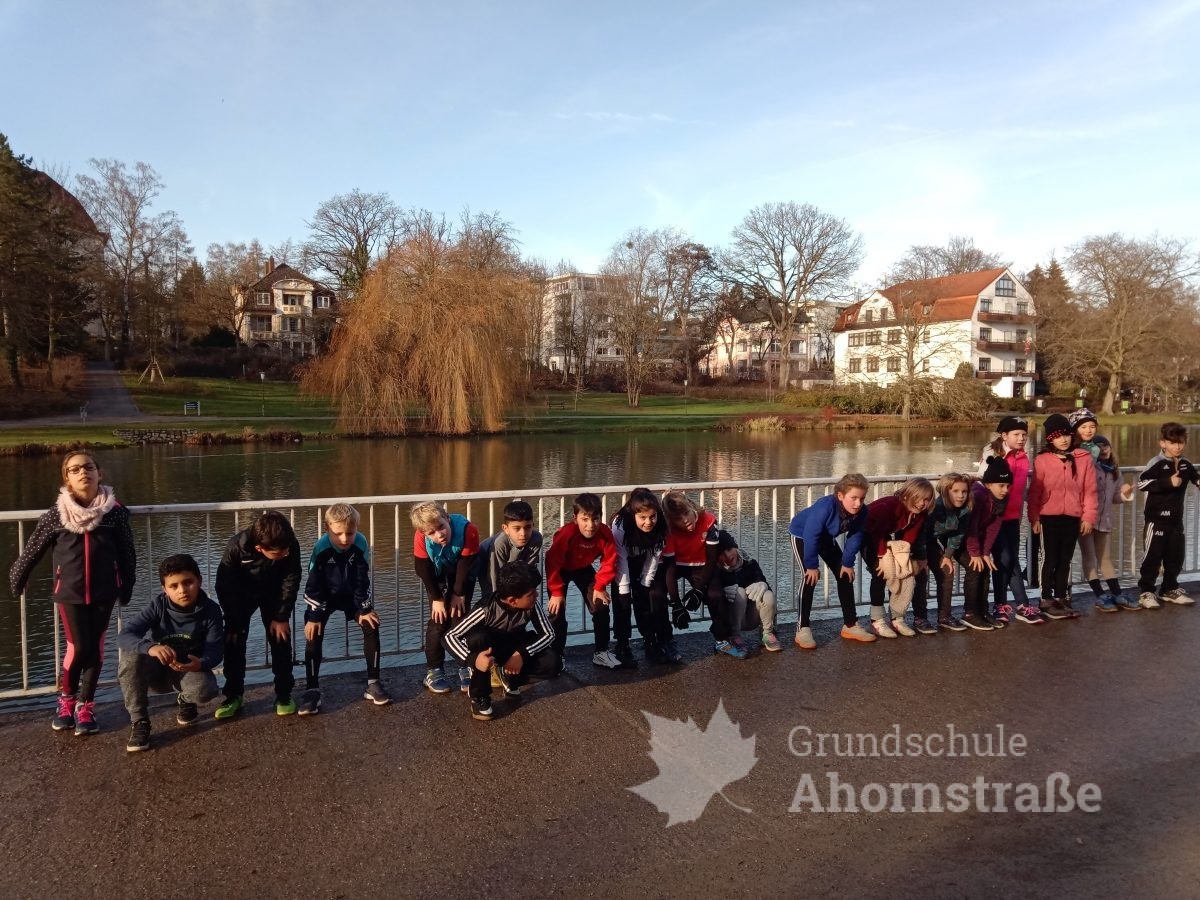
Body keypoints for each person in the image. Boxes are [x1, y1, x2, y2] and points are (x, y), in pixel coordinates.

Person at [9, 451, 136, 736]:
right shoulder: (57, 514)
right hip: (69, 592)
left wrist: (127, 585)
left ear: (99, 473)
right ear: (67, 478)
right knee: (78, 646)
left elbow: (127, 553)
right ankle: (66, 701)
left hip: (104, 591)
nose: (83, 473)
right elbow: (34, 548)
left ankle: (85, 706)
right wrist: (18, 577)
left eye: (88, 467)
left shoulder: (114, 512)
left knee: (96, 647)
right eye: (74, 469)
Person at [117, 554, 222, 752]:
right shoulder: (158, 606)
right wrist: (150, 647)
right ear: (165, 589)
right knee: (131, 656)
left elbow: (215, 651)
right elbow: (125, 635)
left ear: (199, 581)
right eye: (174, 586)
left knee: (206, 689)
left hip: (187, 669)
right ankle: (140, 721)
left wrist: (201, 663)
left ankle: (186, 699)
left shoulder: (211, 610)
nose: (182, 590)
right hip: (157, 670)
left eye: (188, 582)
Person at [299, 503, 389, 716]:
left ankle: (373, 683)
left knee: (371, 624)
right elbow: (314, 586)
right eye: (338, 533)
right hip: (325, 597)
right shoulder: (321, 548)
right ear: (327, 528)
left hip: (351, 597)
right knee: (313, 633)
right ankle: (312, 689)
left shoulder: (361, 543)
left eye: (350, 533)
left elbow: (361, 580)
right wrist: (314, 617)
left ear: (357, 527)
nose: (344, 539)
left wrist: (365, 609)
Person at [444, 561, 559, 721]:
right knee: (478, 639)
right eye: (532, 593)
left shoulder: (532, 605)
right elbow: (450, 636)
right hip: (489, 650)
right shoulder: (485, 608)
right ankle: (479, 696)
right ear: (512, 600)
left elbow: (549, 634)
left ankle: (509, 677)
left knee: (553, 662)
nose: (537, 595)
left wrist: (521, 654)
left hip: (513, 647)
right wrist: (473, 660)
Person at [214, 511, 301, 718]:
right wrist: (233, 620)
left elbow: (291, 579)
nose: (286, 553)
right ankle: (233, 695)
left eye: (287, 549)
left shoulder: (289, 544)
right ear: (260, 548)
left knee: (281, 639)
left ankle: (284, 695)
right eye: (280, 553)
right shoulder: (236, 547)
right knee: (233, 640)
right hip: (241, 595)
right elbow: (224, 586)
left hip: (274, 594)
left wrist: (281, 617)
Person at [787, 473, 872, 648]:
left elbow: (855, 536)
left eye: (862, 498)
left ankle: (850, 625)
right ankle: (803, 629)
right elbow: (811, 535)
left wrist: (847, 563)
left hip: (826, 538)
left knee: (845, 575)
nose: (858, 503)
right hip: (802, 535)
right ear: (840, 496)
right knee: (809, 578)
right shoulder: (825, 507)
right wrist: (811, 566)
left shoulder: (862, 511)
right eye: (853, 498)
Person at [1027, 413, 1097, 620]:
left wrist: (1088, 517)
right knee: (1049, 558)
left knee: (1065, 559)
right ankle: (1046, 598)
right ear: (1050, 438)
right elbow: (1035, 492)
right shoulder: (1042, 460)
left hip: (1073, 516)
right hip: (1048, 516)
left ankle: (1061, 596)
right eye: (1057, 436)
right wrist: (1034, 517)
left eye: (1066, 434)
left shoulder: (1083, 458)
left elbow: (1090, 490)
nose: (1063, 439)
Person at [545, 492, 620, 669]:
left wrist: (600, 586)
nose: (590, 525)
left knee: (601, 605)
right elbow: (552, 561)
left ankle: (601, 652)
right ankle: (557, 655)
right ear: (575, 518)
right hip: (560, 570)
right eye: (584, 519)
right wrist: (556, 591)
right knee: (557, 611)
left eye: (595, 519)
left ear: (600, 517)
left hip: (582, 568)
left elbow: (609, 561)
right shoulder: (567, 533)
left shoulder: (604, 533)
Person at [411, 501, 479, 694]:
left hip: (463, 572)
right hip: (437, 574)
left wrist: (458, 593)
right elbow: (422, 569)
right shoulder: (420, 537)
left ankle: (465, 666)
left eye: (441, 527)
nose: (439, 535)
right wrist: (437, 599)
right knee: (438, 621)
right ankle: (434, 671)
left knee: (460, 618)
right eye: (431, 533)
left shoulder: (468, 530)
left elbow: (466, 564)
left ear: (447, 519)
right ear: (424, 533)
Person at [977, 416, 1040, 626]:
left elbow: (1021, 489)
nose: (1021, 438)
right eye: (1016, 434)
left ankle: (1011, 605)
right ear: (1004, 436)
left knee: (1011, 559)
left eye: (1024, 435)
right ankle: (1009, 604)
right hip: (995, 517)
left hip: (1014, 516)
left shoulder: (1023, 457)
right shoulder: (992, 454)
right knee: (1004, 559)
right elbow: (983, 483)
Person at [662, 491, 738, 658]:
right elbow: (669, 568)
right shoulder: (668, 530)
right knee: (656, 593)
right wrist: (676, 603)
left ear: (691, 506)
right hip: (676, 565)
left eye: (686, 513)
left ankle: (721, 639)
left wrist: (699, 590)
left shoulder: (708, 520)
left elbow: (711, 559)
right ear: (671, 520)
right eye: (678, 518)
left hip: (702, 565)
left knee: (716, 595)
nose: (685, 520)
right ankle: (663, 640)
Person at [1136, 422, 1200, 609]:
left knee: (1175, 557)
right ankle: (1146, 592)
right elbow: (1141, 484)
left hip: (1176, 521)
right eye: (1172, 443)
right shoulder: (1156, 463)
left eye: (1181, 442)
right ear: (1162, 443)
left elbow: (1195, 477)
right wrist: (1167, 482)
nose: (1177, 446)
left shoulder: (1186, 464)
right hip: (1156, 521)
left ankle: (1169, 589)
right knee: (1152, 558)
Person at [861, 478, 934, 638]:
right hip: (866, 535)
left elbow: (910, 537)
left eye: (926, 499)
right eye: (918, 498)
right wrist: (881, 557)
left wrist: (904, 557)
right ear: (906, 495)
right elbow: (874, 531)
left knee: (903, 572)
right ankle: (876, 620)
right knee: (881, 573)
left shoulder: (920, 513)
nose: (922, 503)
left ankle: (897, 618)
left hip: (885, 537)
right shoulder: (890, 506)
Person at [611, 488, 678, 665]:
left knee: (645, 600)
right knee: (622, 603)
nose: (648, 522)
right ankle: (622, 644)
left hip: (643, 561)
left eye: (652, 517)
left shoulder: (661, 524)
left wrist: (645, 582)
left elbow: (655, 555)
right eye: (642, 517)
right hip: (621, 563)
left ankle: (650, 641)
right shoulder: (620, 524)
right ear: (633, 514)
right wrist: (624, 590)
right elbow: (620, 558)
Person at [1081, 437, 1138, 612]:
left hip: (1104, 520)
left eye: (1105, 445)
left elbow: (1115, 498)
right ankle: (1100, 595)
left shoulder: (1114, 470)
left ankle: (1117, 593)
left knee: (1105, 557)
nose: (1103, 449)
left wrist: (1125, 494)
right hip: (1085, 520)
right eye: (1098, 447)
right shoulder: (1089, 468)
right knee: (1089, 557)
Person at [915, 473, 973, 633]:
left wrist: (947, 556)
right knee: (920, 575)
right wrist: (922, 558)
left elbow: (958, 534)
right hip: (917, 543)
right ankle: (920, 618)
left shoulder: (965, 509)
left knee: (946, 572)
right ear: (945, 491)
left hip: (932, 542)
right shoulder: (935, 508)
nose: (961, 496)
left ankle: (944, 616)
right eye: (955, 491)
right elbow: (920, 532)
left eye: (964, 491)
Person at [961, 457, 1013, 631]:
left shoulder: (1001, 498)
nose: (1005, 490)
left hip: (976, 541)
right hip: (961, 539)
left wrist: (985, 553)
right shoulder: (978, 496)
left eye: (1008, 486)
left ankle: (982, 611)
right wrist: (975, 553)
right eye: (1001, 485)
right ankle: (970, 613)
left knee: (985, 568)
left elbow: (993, 527)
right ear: (989, 484)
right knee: (975, 568)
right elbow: (972, 527)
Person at [716, 530, 780, 652]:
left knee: (767, 594)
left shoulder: (750, 563)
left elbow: (764, 584)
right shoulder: (717, 571)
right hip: (732, 617)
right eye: (721, 553)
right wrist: (723, 592)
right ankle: (734, 636)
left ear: (735, 547)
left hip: (753, 615)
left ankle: (767, 633)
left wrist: (763, 584)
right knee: (739, 592)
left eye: (729, 549)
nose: (727, 555)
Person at [476, 500, 543, 605]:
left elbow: (528, 570)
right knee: (491, 596)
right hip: (486, 561)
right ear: (505, 528)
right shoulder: (500, 543)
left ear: (533, 525)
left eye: (528, 527)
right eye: (517, 528)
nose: (523, 534)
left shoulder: (536, 539)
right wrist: (499, 601)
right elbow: (495, 575)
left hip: (513, 565)